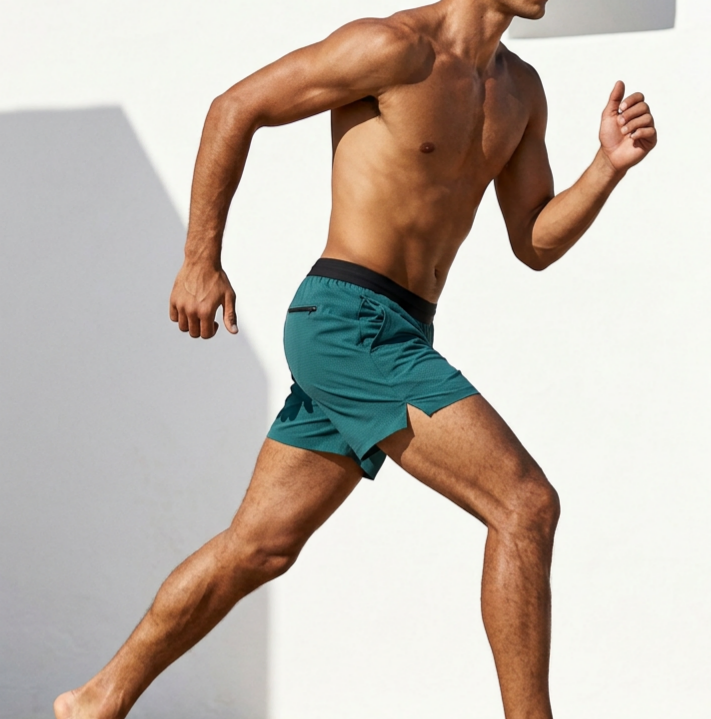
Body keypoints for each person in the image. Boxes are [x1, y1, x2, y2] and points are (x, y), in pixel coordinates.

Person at [54, 0, 656, 716]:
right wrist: (199, 259)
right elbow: (235, 107)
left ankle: (96, 699)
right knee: (524, 505)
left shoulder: (521, 89)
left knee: (260, 547)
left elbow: (533, 240)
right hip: (348, 321)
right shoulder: (393, 48)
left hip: (400, 331)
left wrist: (605, 167)